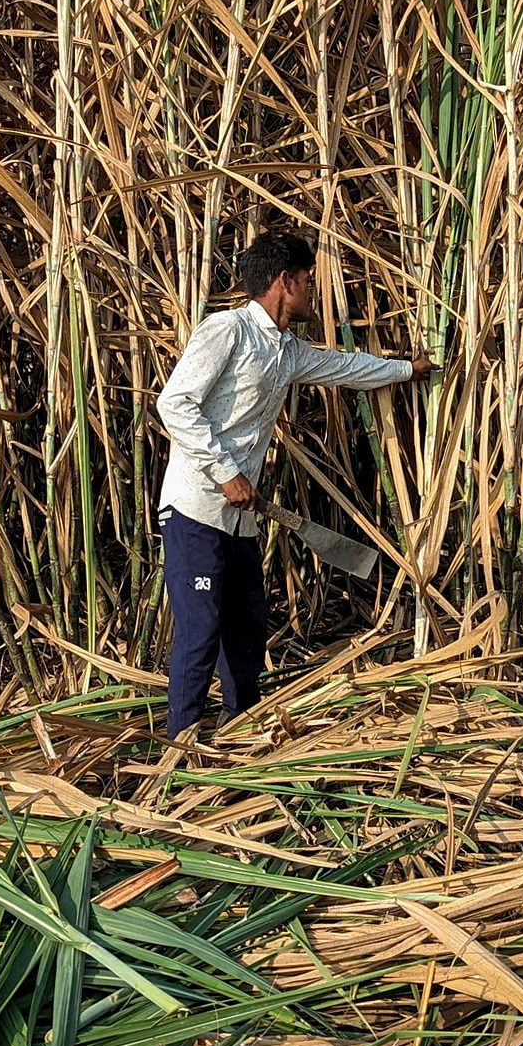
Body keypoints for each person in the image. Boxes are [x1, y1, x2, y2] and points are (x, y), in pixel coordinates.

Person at [153, 232, 433, 740]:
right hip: (196, 508)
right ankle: (181, 749)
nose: (312, 292)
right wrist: (227, 472)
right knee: (200, 631)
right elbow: (174, 404)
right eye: (307, 281)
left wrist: (405, 369)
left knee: (247, 626)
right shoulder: (228, 330)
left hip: (239, 517)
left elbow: (344, 367)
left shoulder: (286, 350)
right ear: (285, 281)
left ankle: (238, 734)